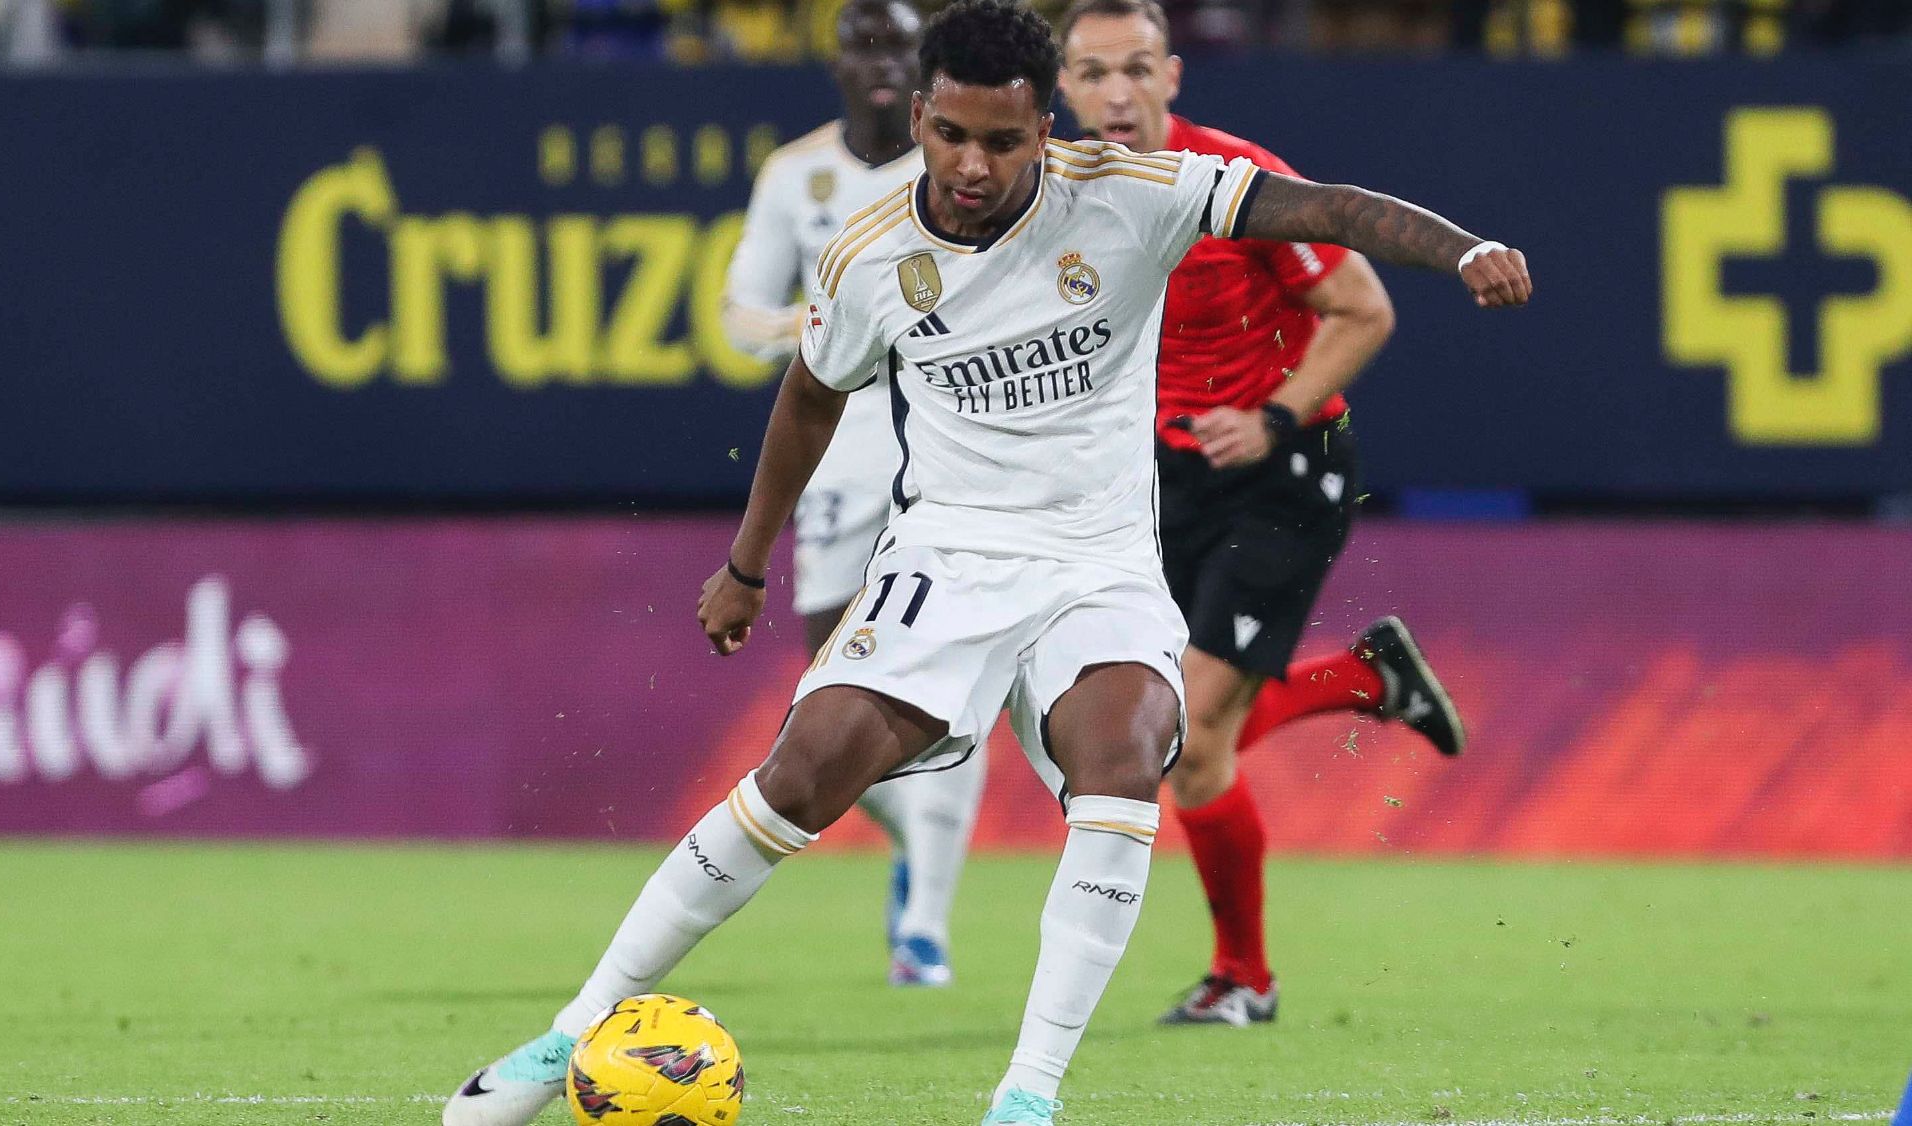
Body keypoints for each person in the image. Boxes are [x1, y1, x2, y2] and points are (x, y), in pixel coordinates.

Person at [442, 3, 1530, 1124]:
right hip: (949, 554)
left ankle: (1025, 1098)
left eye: (1003, 141)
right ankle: (569, 1032)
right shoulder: (870, 256)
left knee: (1127, 753)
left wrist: (1464, 250)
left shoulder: (1134, 193)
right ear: (918, 113)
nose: (972, 164)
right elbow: (809, 396)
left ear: (1041, 123)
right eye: (950, 134)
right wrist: (746, 563)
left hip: (1101, 562)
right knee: (802, 775)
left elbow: (1329, 209)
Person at [1056, 0, 1468, 1027]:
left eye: (1136, 69)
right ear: (1060, 88)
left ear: (1172, 75)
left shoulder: (1232, 182)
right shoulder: (1053, 196)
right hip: (1159, 481)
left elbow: (1363, 308)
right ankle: (1363, 676)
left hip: (1283, 471)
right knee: (1170, 741)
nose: (1116, 93)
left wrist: (1273, 415)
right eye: (1093, 72)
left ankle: (1244, 978)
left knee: (1185, 740)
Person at [720, 0, 986, 991]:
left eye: (898, 46)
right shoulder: (796, 176)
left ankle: (923, 926)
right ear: (832, 62)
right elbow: (740, 317)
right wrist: (837, 319)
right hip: (838, 447)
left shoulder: (961, 162)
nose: (879, 63)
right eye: (860, 45)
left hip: (958, 446)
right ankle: (918, 839)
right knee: (828, 700)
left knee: (956, 686)